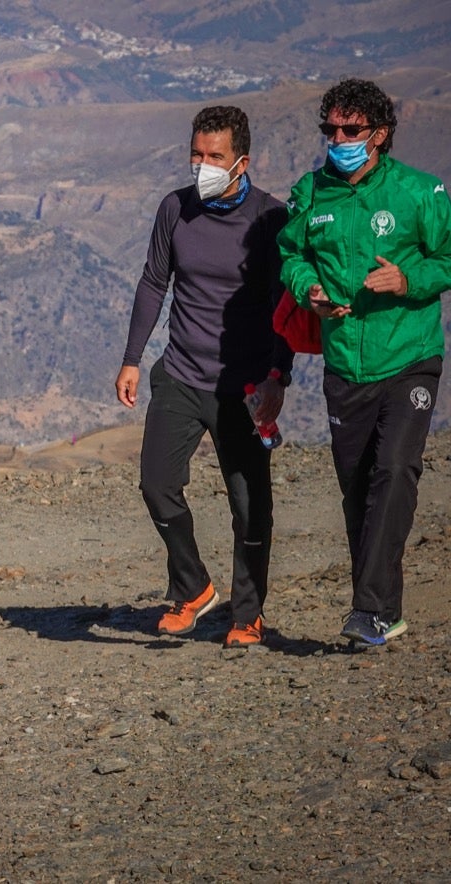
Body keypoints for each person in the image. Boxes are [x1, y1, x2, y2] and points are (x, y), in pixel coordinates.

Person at [278, 78, 451, 647]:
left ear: (379, 134)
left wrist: (409, 279)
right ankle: (385, 610)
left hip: (408, 356)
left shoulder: (420, 193)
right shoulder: (312, 193)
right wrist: (310, 291)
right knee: (358, 490)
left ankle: (369, 610)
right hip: (345, 363)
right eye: (329, 128)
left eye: (349, 129)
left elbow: (447, 257)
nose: (337, 138)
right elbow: (291, 254)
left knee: (395, 469)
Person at [116, 106, 294, 649]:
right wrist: (132, 358)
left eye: (214, 157)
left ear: (242, 161)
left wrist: (277, 377)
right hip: (181, 373)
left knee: (248, 505)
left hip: (243, 386)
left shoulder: (270, 219)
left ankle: (248, 612)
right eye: (196, 154)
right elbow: (154, 282)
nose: (202, 166)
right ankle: (192, 588)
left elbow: (283, 304)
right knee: (156, 483)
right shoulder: (176, 208)